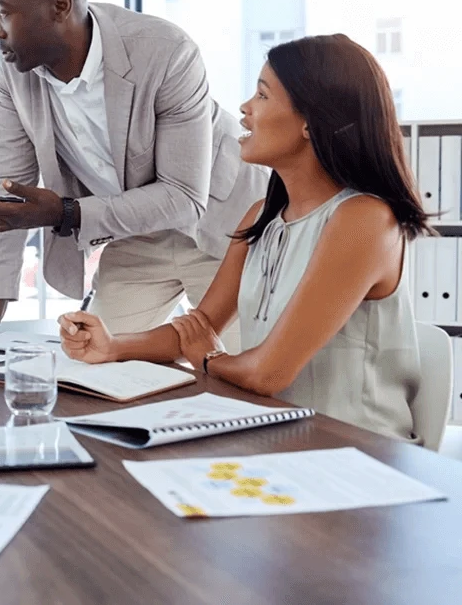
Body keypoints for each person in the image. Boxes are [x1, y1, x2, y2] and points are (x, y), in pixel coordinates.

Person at [59, 34, 430, 442]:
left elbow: (267, 373)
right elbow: (198, 327)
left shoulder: (363, 220)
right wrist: (113, 345)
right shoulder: (261, 216)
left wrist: (209, 358)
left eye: (263, 95)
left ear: (311, 121)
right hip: (279, 436)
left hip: (355, 455)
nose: (245, 108)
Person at [0, 0, 269, 348]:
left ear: (61, 5)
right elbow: (9, 185)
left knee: (242, 370)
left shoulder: (166, 52)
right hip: (136, 234)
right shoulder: (14, 72)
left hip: (221, 224)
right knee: (92, 358)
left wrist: (68, 213)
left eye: (3, 13)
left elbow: (182, 197)